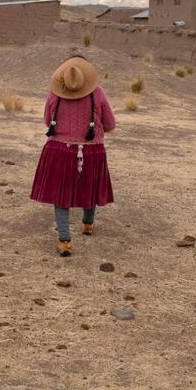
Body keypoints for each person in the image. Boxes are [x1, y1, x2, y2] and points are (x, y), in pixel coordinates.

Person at [30, 55, 116, 256]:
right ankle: (87, 224)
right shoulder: (98, 94)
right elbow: (110, 124)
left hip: (59, 150)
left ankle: (64, 241)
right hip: (92, 150)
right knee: (90, 188)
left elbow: (47, 121)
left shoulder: (54, 95)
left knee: (61, 195)